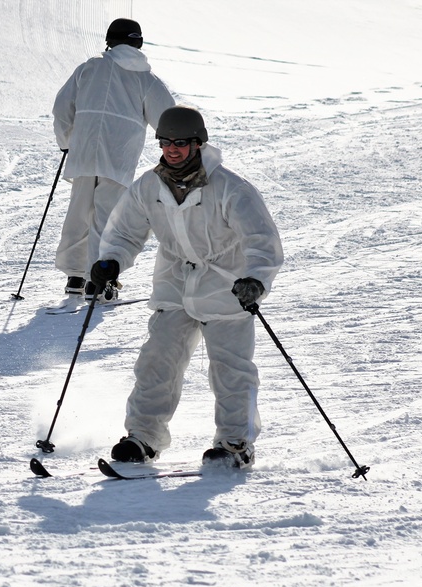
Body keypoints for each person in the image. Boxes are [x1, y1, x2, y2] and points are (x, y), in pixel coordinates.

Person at [90, 105, 284, 469]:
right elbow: (125, 230)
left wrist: (256, 279)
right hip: (175, 281)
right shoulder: (150, 186)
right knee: (157, 360)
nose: (172, 149)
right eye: (165, 142)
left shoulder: (230, 187)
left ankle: (234, 444)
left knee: (230, 367)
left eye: (181, 142)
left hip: (228, 284)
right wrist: (112, 260)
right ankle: (143, 437)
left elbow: (262, 239)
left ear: (198, 143)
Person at [52, 18, 175, 301]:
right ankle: (99, 282)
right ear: (138, 43)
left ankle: (75, 276)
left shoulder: (89, 68)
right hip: (118, 158)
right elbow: (168, 120)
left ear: (109, 40)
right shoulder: (147, 80)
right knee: (107, 218)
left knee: (79, 213)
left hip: (83, 154)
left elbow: (62, 108)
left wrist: (66, 142)